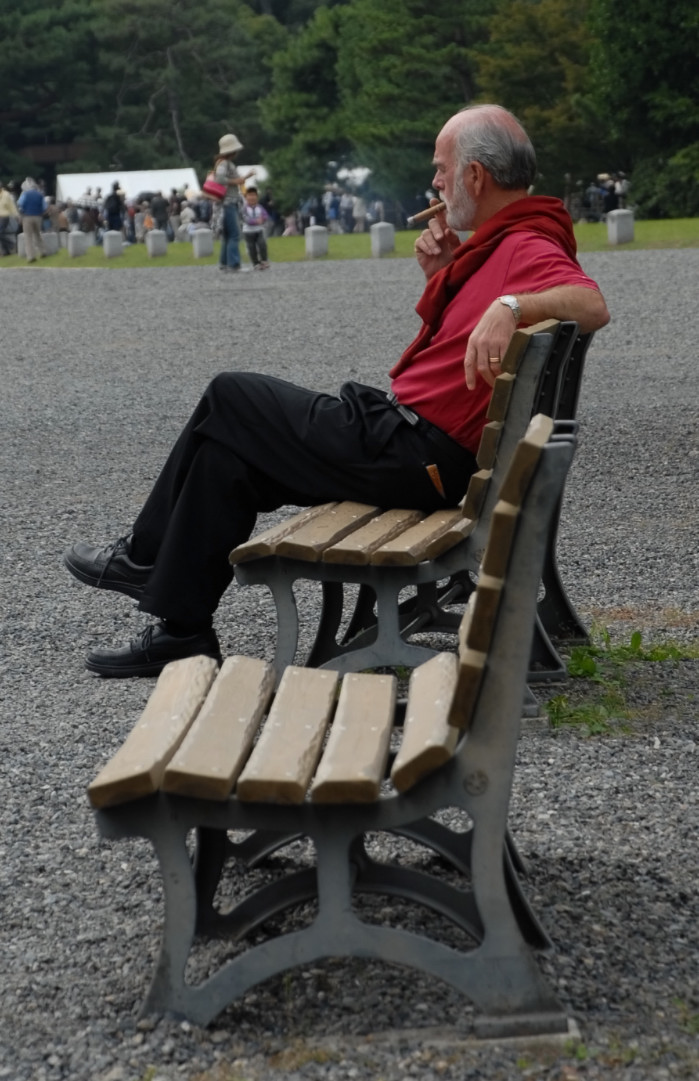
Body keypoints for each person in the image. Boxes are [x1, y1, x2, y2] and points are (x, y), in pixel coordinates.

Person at [63, 103, 610, 678]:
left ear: (475, 176)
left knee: (231, 396)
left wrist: (512, 306)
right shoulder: (506, 240)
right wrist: (446, 273)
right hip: (411, 444)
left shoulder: (526, 244)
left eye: (442, 168)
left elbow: (591, 303)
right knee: (225, 458)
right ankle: (183, 631)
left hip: (418, 455)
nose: (435, 182)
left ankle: (142, 557)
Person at [213, 133, 255, 273]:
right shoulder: (224, 163)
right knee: (234, 234)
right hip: (228, 202)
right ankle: (234, 264)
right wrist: (235, 181)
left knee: (227, 235)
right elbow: (219, 179)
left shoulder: (223, 163)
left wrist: (243, 178)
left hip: (226, 202)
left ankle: (224, 263)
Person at [17, 178, 46, 263]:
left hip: (27, 216)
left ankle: (31, 256)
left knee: (28, 237)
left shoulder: (25, 194)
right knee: (38, 234)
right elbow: (44, 207)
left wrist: (22, 213)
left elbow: (20, 204)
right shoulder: (40, 194)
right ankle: (43, 251)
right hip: (38, 216)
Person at [240, 187, 270, 269]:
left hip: (259, 230)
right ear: (246, 197)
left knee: (262, 244)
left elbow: (265, 215)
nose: (252, 197)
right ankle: (255, 263)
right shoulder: (244, 208)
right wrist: (255, 221)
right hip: (248, 231)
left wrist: (263, 219)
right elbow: (245, 218)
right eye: (250, 195)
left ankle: (264, 260)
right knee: (251, 247)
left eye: (254, 195)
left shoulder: (260, 207)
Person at [0, 180, 20, 256]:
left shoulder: (6, 195)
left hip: (4, 217)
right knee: (1, 234)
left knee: (0, 232)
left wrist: (16, 215)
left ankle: (11, 244)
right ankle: (6, 250)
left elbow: (11, 206)